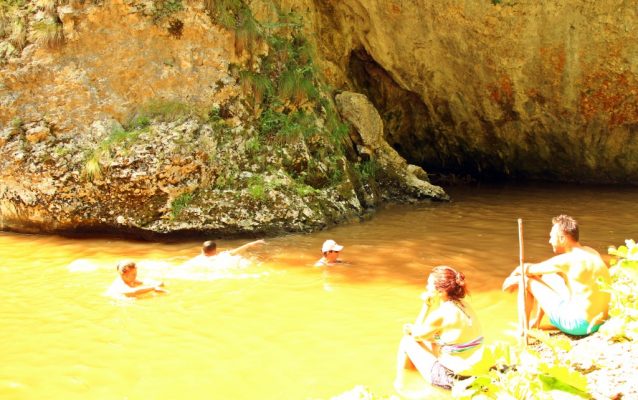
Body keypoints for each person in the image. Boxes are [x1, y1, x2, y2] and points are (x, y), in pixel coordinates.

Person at [502, 214, 611, 336]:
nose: (549, 241)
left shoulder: (568, 260)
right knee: (548, 277)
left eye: (551, 237)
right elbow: (539, 272)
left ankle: (522, 331)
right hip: (600, 320)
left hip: (581, 325)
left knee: (525, 280)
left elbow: (526, 269)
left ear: (562, 239)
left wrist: (512, 278)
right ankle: (537, 322)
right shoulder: (590, 251)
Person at [395, 266, 483, 391]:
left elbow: (416, 336)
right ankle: (415, 379)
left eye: (429, 284)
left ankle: (402, 385)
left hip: (452, 379)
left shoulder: (442, 312)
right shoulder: (466, 305)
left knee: (407, 341)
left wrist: (426, 305)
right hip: (474, 373)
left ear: (440, 291)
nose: (426, 287)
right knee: (434, 340)